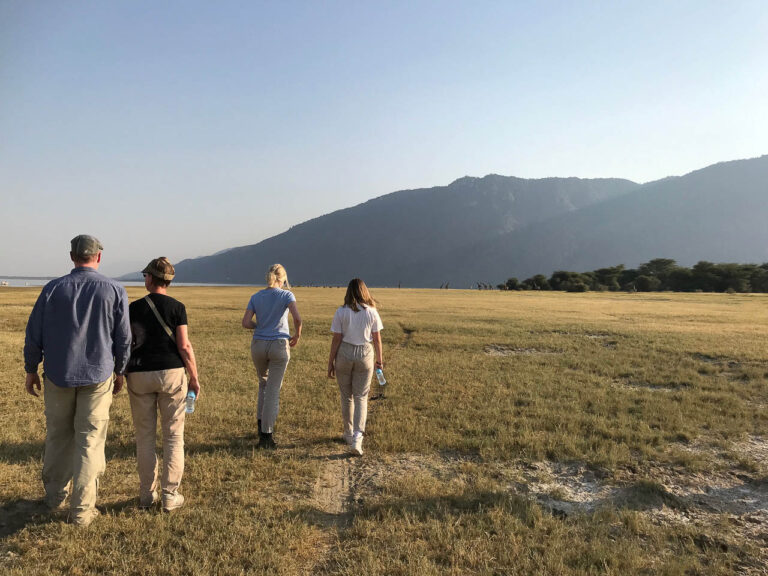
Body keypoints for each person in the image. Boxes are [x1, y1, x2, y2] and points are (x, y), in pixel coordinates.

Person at [23, 235, 131, 526]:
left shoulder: (52, 289)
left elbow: (34, 332)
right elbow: (123, 338)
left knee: (58, 435)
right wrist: (120, 370)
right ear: (98, 258)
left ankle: (55, 496)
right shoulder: (115, 290)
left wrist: (31, 368)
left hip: (58, 374)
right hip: (98, 376)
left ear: (72, 257)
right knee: (90, 440)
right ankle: (82, 510)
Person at [125, 257, 200, 512]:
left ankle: (147, 496)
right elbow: (184, 346)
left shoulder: (133, 308)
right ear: (168, 280)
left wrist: (120, 372)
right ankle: (170, 495)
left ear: (149, 278)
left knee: (144, 437)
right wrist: (194, 377)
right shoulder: (177, 307)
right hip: (171, 374)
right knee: (173, 437)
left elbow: (126, 343)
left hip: (139, 374)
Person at [241, 263, 302, 449]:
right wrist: (297, 334)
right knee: (273, 390)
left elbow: (245, 323)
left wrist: (258, 327)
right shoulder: (286, 294)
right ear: (282, 279)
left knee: (263, 384)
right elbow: (297, 318)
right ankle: (266, 436)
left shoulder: (256, 296)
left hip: (258, 345)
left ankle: (260, 425)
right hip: (278, 346)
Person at [327, 278, 384, 456]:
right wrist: (380, 362)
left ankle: (348, 433)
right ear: (364, 291)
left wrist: (330, 361)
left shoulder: (341, 312)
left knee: (347, 396)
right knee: (361, 396)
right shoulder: (372, 312)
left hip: (344, 352)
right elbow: (377, 339)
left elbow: (336, 339)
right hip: (365, 353)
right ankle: (358, 438)